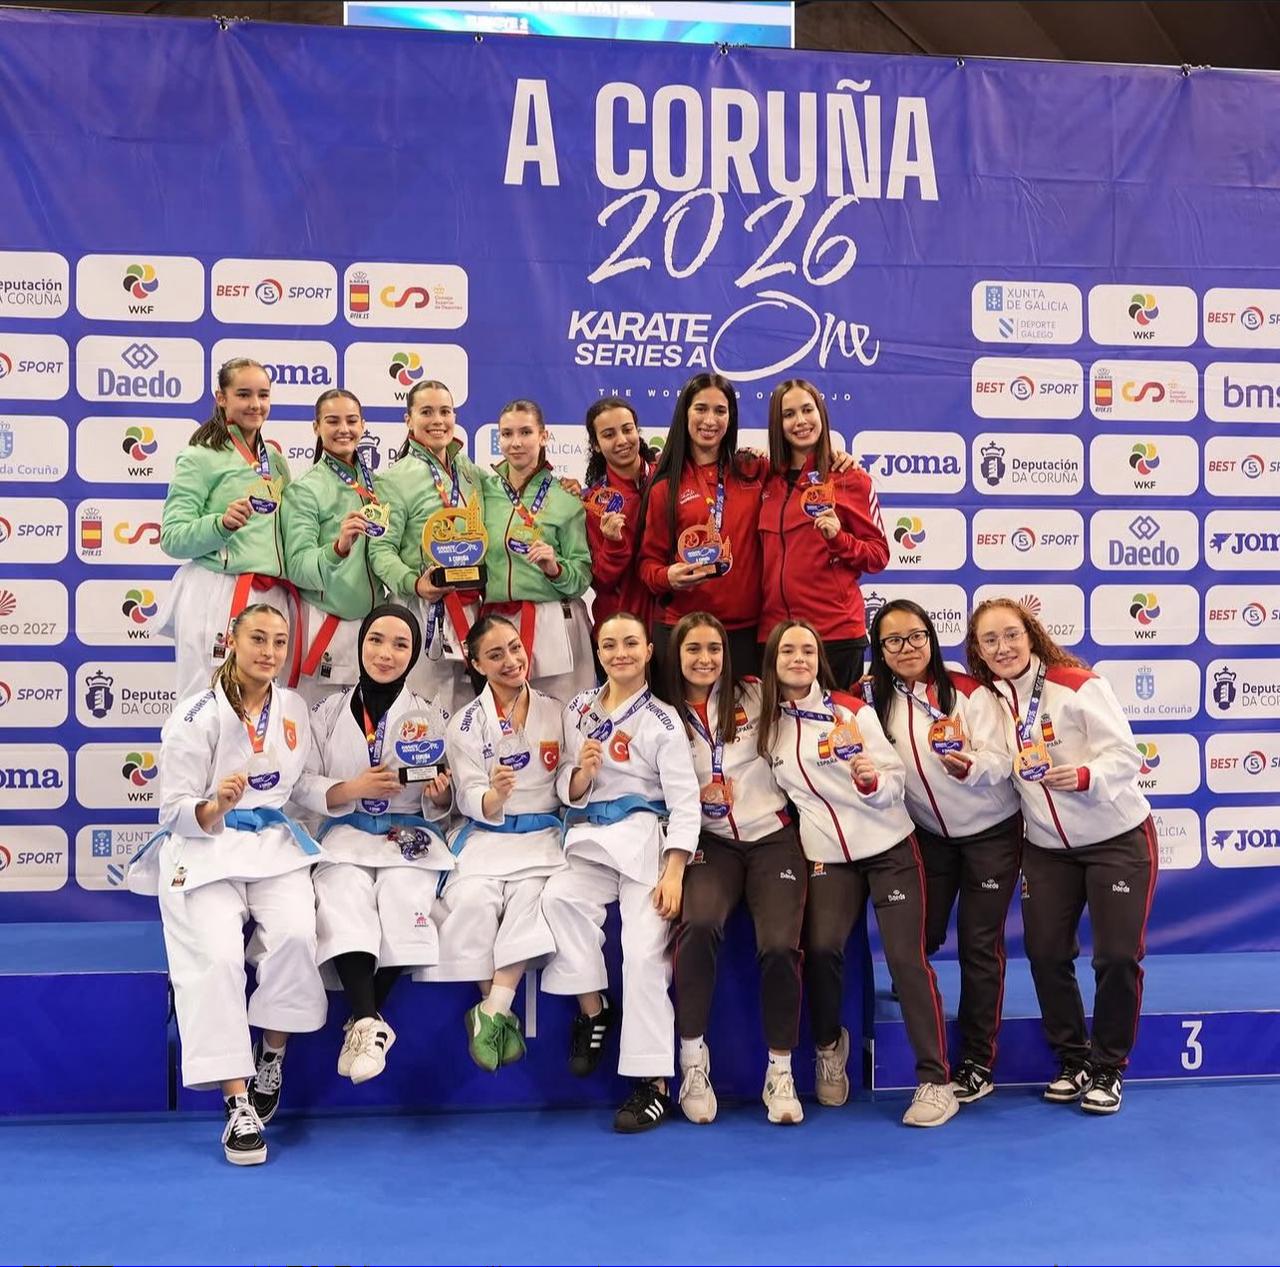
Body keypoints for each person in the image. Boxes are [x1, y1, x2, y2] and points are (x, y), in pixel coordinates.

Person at [126, 603, 327, 1166]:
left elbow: (301, 784)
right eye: (257, 639)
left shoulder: (291, 707)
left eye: (279, 642)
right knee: (215, 960)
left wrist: (346, 789)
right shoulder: (193, 715)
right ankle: (237, 1102)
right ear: (231, 641)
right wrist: (216, 804)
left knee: (294, 938)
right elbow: (173, 808)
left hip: (271, 846)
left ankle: (272, 1054)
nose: (269, 651)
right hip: (205, 850)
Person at [757, 619, 956, 1128]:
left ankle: (935, 1082)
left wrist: (872, 783)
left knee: (905, 960)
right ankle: (829, 1046)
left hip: (889, 846)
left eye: (807, 649)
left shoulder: (851, 711)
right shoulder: (766, 725)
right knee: (822, 950)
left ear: (819, 659)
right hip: (828, 856)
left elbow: (894, 776)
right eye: (787, 651)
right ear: (774, 662)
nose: (798, 658)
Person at [966, 598, 1157, 1115]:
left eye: (1011, 635)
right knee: (1048, 954)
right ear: (978, 650)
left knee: (1116, 956)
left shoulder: (1077, 684)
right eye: (990, 640)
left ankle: (1109, 1067)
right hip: (1047, 847)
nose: (1003, 648)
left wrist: (1085, 776)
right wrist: (965, 767)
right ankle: (1073, 1060)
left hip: (1116, 836)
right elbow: (992, 763)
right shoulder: (986, 701)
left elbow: (1125, 755)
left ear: (1030, 634)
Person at [540, 611, 700, 1133]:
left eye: (631, 642)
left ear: (649, 651)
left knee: (642, 953)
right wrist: (580, 777)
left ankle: (651, 1083)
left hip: (643, 844)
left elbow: (685, 801)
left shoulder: (662, 719)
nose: (620, 652)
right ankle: (594, 1006)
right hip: (589, 838)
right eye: (609, 644)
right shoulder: (580, 708)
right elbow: (564, 779)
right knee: (557, 898)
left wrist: (674, 870)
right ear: (599, 649)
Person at [866, 599, 1022, 1105]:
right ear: (881, 651)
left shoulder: (971, 692)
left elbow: (1004, 759)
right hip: (928, 836)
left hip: (990, 832)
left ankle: (977, 1060)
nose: (906, 648)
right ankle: (912, 996)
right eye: (893, 641)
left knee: (979, 944)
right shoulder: (873, 702)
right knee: (920, 934)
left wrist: (971, 767)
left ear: (932, 638)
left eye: (915, 636)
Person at [295, 604, 454, 1084]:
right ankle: (369, 1023)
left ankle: (363, 1022)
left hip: (408, 835)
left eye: (400, 644)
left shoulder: (431, 716)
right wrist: (351, 789)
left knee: (405, 898)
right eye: (376, 641)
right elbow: (302, 783)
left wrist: (439, 798)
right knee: (342, 896)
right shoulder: (323, 712)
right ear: (360, 644)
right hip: (346, 832)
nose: (386, 654)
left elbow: (446, 791)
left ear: (412, 654)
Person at [667, 612, 807, 1126]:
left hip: (772, 839)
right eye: (693, 650)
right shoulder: (664, 713)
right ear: (676, 656)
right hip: (710, 843)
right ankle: (693, 1063)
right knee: (699, 925)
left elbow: (808, 686)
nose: (705, 660)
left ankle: (781, 1071)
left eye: (714, 649)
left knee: (778, 946)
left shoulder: (754, 694)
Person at [425, 614, 567, 1072]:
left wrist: (578, 774)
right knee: (471, 900)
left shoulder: (556, 710)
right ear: (476, 663)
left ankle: (490, 1013)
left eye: (514, 648)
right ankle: (496, 1012)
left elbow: (564, 777)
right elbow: (465, 792)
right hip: (487, 835)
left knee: (533, 901)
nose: (511, 661)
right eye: (495, 654)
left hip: (541, 835)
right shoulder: (465, 724)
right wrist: (493, 796)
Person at [159, 358, 301, 703]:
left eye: (263, 395)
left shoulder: (276, 462)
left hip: (270, 596)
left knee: (263, 704)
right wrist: (220, 524)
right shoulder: (199, 456)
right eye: (244, 394)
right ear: (221, 398)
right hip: (217, 591)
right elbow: (172, 537)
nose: (256, 404)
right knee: (205, 701)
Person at [636, 374, 767, 686]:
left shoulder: (754, 470)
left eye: (720, 411)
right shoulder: (663, 487)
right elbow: (647, 564)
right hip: (681, 629)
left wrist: (834, 456)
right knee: (681, 733)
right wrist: (668, 577)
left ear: (731, 418)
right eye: (701, 409)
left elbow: (801, 467)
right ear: (685, 413)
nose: (710, 420)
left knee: (743, 731)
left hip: (743, 631)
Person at [759, 379, 888, 687]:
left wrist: (838, 539)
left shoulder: (850, 478)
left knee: (838, 734)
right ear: (778, 424)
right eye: (789, 414)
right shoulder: (765, 479)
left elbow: (878, 555)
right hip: (775, 636)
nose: (800, 421)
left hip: (834, 634)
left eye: (807, 409)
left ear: (822, 414)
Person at [368, 379, 483, 718]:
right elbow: (381, 551)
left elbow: (511, 489)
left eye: (445, 411)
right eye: (426, 412)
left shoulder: (470, 472)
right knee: (422, 714)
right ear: (408, 420)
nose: (438, 420)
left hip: (470, 609)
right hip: (421, 612)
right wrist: (415, 583)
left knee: (471, 716)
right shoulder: (395, 478)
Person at [478, 398, 594, 702]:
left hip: (554, 622)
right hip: (497, 624)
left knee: (562, 723)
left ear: (544, 436)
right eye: (506, 434)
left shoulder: (566, 498)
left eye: (526, 433)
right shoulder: (481, 491)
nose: (516, 443)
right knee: (504, 724)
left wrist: (555, 568)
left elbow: (581, 576)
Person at [283, 389, 387, 707]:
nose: (344, 429)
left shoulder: (377, 486)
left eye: (352, 420)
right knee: (316, 737)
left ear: (363, 425)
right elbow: (297, 566)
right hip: (326, 626)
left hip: (372, 629)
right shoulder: (305, 489)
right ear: (316, 427)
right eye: (333, 421)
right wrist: (338, 548)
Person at [580, 397, 657, 638]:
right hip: (621, 629)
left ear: (637, 431)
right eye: (609, 434)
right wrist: (613, 543)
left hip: (672, 624)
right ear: (595, 445)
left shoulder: (669, 480)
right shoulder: (594, 503)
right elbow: (600, 582)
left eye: (627, 429)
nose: (622, 440)